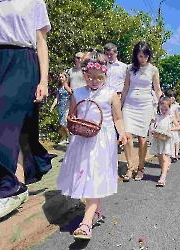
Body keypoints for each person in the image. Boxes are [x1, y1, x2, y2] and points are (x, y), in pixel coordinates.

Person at [56, 51, 127, 239]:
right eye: (90, 77)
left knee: (95, 176)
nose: (94, 81)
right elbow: (72, 114)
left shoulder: (110, 94)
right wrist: (71, 121)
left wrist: (123, 133)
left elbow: (117, 117)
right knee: (85, 177)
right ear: (84, 74)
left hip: (102, 141)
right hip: (81, 139)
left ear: (105, 75)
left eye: (99, 77)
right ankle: (96, 210)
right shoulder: (77, 93)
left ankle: (86, 223)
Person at [0, 0, 53, 218]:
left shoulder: (33, 1)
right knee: (15, 129)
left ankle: (8, 189)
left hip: (21, 60)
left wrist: (44, 81)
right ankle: (17, 183)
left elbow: (41, 42)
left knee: (3, 123)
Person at [120, 41, 162, 182]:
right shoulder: (130, 69)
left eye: (145, 56)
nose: (143, 59)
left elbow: (157, 90)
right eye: (140, 56)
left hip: (145, 105)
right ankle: (130, 166)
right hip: (130, 104)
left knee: (142, 139)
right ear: (135, 56)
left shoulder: (153, 70)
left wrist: (164, 103)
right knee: (126, 135)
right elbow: (125, 87)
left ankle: (141, 167)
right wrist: (119, 105)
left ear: (149, 55)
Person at [149, 96, 180, 187]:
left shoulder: (171, 117)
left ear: (169, 108)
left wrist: (171, 129)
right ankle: (163, 169)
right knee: (160, 157)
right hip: (158, 139)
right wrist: (152, 130)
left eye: (166, 109)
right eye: (162, 109)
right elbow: (154, 126)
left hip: (167, 139)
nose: (163, 111)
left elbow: (178, 127)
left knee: (165, 156)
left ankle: (163, 177)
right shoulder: (157, 117)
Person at [50, 71, 73, 145]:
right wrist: (52, 106)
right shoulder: (59, 87)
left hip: (67, 105)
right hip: (60, 106)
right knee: (61, 124)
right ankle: (65, 138)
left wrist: (66, 85)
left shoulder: (69, 86)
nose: (60, 78)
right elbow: (57, 98)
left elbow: (72, 94)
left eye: (62, 77)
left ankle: (70, 139)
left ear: (66, 78)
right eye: (59, 77)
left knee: (64, 123)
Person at [163, 89, 180, 163]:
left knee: (174, 141)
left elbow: (178, 117)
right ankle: (167, 154)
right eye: (170, 96)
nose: (172, 98)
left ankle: (174, 155)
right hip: (165, 125)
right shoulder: (163, 105)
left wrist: (174, 121)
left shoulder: (175, 107)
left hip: (173, 125)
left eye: (174, 97)